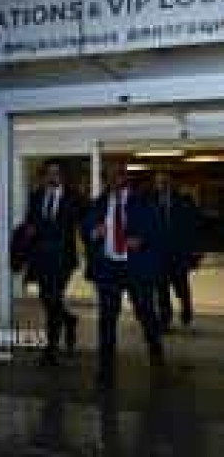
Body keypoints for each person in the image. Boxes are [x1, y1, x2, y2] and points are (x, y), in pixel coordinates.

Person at [82, 163, 164, 389]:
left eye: (118, 175)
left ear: (125, 177)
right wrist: (93, 232)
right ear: (105, 180)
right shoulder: (98, 203)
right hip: (108, 269)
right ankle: (105, 369)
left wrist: (142, 240)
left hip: (135, 268)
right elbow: (86, 229)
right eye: (109, 177)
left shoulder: (143, 202)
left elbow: (157, 230)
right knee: (107, 320)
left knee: (145, 312)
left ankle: (155, 347)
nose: (114, 180)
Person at [23, 159, 82, 366]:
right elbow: (30, 220)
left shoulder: (73, 197)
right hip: (41, 257)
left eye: (56, 173)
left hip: (63, 258)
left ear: (62, 175)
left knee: (54, 297)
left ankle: (50, 350)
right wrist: (29, 230)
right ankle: (69, 320)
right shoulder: (36, 196)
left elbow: (83, 220)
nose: (52, 176)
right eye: (49, 173)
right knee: (47, 299)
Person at [152, 172, 199, 330]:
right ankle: (165, 319)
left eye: (165, 181)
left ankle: (186, 310)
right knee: (162, 289)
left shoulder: (184, 201)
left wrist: (193, 250)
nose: (162, 185)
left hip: (178, 254)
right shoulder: (151, 202)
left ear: (171, 183)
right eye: (159, 182)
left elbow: (193, 227)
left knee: (181, 287)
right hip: (159, 255)